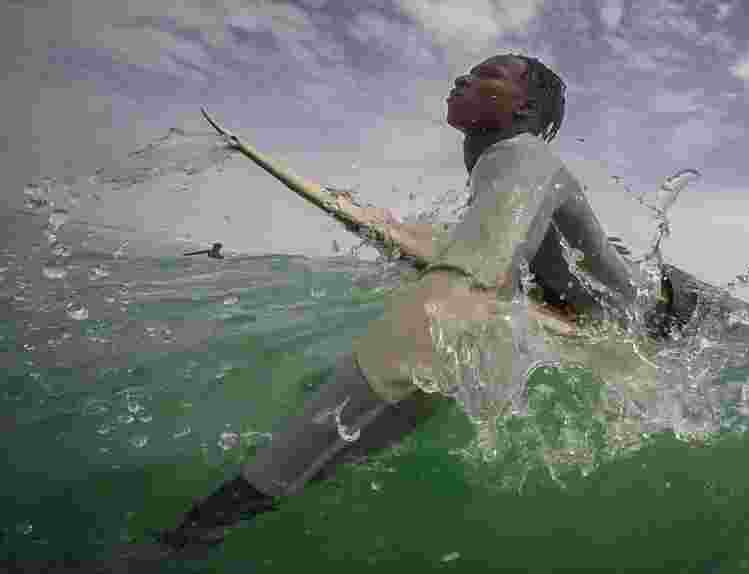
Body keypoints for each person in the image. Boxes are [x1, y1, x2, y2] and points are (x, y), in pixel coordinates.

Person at [150, 54, 698, 554]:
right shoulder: (498, 162)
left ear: (525, 106)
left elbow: (461, 303)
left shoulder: (524, 158)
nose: (463, 78)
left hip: (685, 312)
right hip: (632, 301)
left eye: (488, 75)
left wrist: (226, 508)